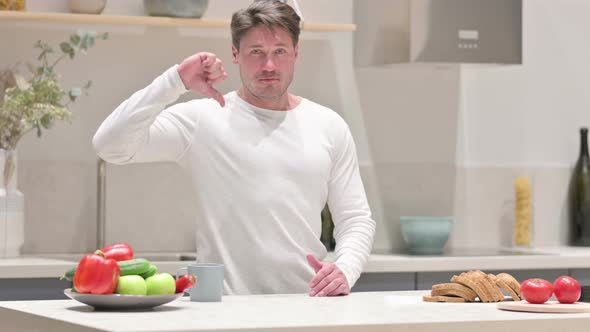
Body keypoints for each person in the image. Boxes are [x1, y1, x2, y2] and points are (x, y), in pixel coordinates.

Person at [93, 0, 375, 296]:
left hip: (305, 306)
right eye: (256, 52)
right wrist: (175, 80)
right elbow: (110, 146)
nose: (269, 65)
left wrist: (345, 269)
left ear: (295, 53)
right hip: (222, 312)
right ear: (235, 54)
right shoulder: (204, 118)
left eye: (279, 51)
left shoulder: (328, 125)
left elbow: (356, 218)